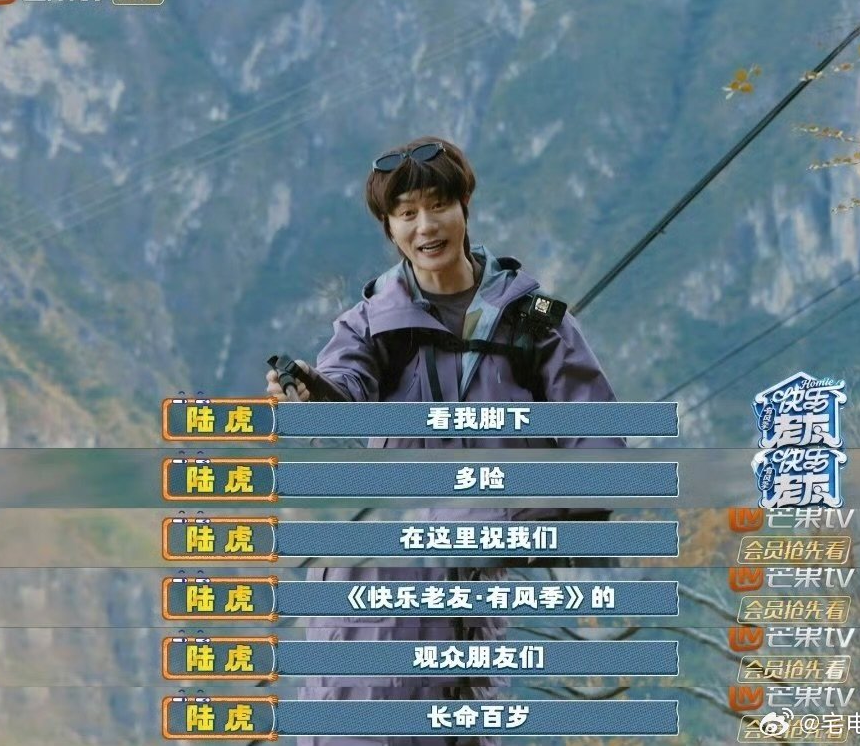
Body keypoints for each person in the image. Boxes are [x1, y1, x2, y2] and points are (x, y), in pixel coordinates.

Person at [266, 136, 624, 746]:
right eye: (406, 213)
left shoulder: (537, 321)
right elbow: (344, 389)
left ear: (464, 207)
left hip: (466, 599)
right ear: (389, 228)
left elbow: (599, 455)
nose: (425, 226)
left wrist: (507, 523)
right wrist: (309, 391)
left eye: (438, 205)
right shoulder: (370, 323)